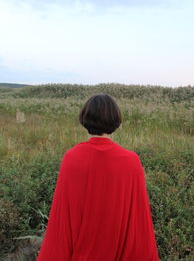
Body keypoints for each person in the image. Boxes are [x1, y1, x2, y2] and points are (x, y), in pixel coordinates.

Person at [36, 93, 159, 261]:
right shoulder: (131, 161)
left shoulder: (71, 158)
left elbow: (62, 219)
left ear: (85, 119)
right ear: (116, 121)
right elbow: (138, 221)